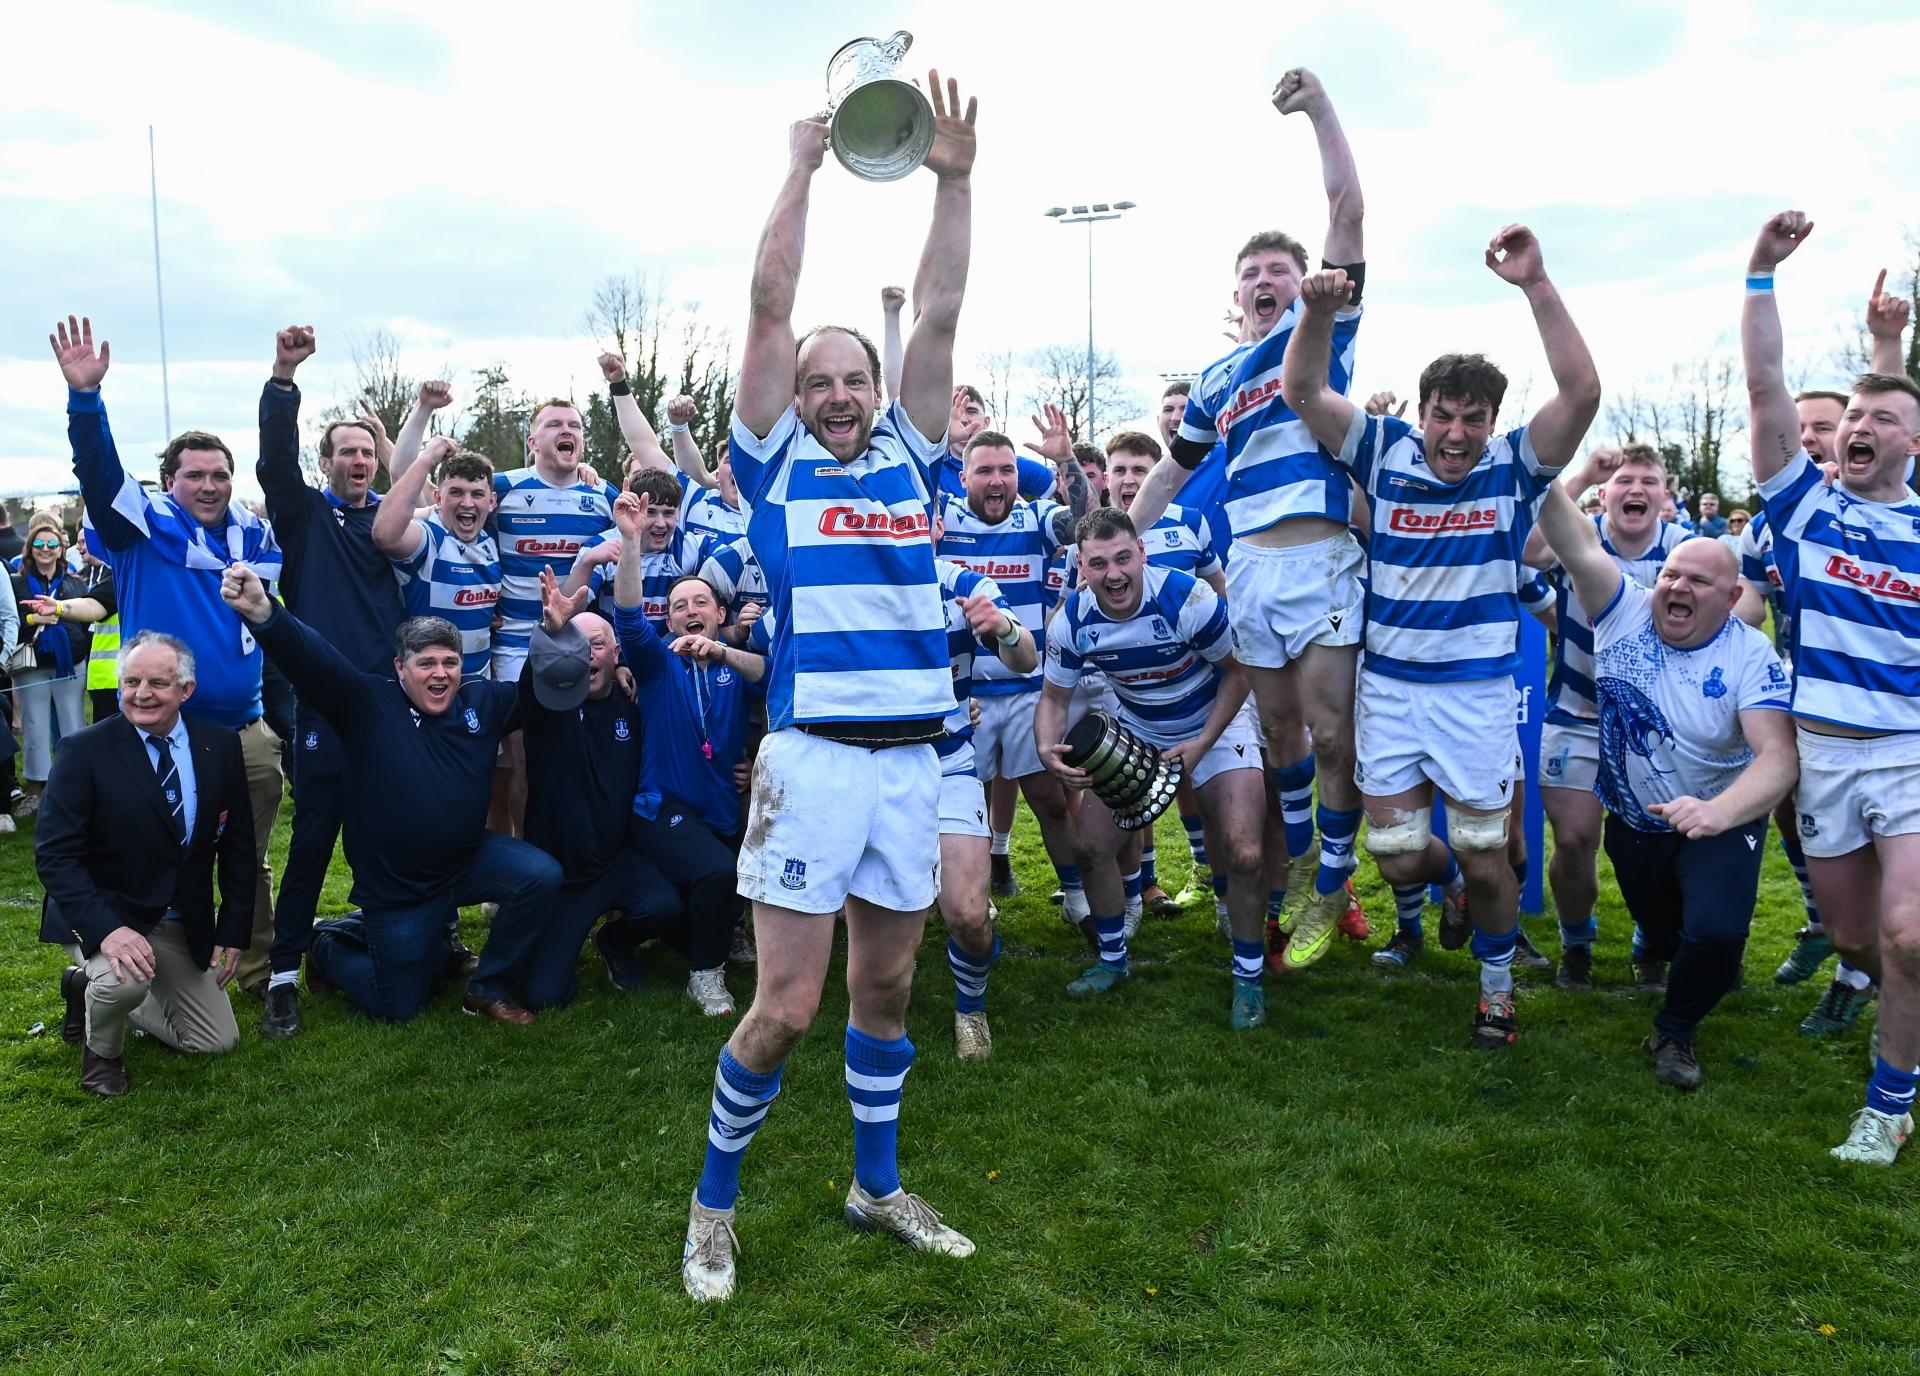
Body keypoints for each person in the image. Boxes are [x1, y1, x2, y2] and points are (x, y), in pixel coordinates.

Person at [678, 75, 979, 1303]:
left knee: (888, 987)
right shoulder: (771, 464)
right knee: (786, 1007)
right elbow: (768, 303)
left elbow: (942, 309)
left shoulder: (914, 448)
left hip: (915, 758)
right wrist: (800, 167)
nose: (841, 394)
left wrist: (955, 182)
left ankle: (875, 1184)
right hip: (812, 759)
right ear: (795, 397)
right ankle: (712, 1207)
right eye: (822, 381)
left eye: (856, 377)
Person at [1282, 225, 1601, 1050]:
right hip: (1390, 692)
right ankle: (1453, 888)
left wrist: (1536, 283)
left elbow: (1581, 393)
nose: (1456, 434)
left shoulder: (1514, 465)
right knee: (1394, 852)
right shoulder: (1383, 451)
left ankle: (1496, 993)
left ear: (1492, 421)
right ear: (1421, 413)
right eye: (1443, 416)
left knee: (1487, 850)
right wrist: (1316, 313)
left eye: (1473, 418)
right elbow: (1304, 391)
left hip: (1475, 696)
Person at [1127, 67, 1366, 969]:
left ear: (1305, 283)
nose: (1266, 281)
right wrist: (1117, 538)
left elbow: (1347, 210)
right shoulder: (1218, 378)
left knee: (1332, 732)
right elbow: (1171, 472)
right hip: (1255, 572)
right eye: (1252, 276)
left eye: (1279, 271)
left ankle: (1330, 879)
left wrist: (1319, 109)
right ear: (1238, 296)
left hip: (1325, 558)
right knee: (1279, 735)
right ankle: (1306, 862)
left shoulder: (1326, 329)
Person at [1740, 210, 1920, 1164]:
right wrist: (1761, 273)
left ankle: (1887, 1108)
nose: (1859, 427)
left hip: (1910, 753)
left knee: (1909, 936)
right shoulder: (1805, 509)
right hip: (1822, 757)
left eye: (1882, 420)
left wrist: (1892, 349)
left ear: (1914, 443)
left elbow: (1897, 392)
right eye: (1853, 417)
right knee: (1856, 941)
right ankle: (1893, 1009)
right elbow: (1765, 383)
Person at [1534, 463, 1796, 1088]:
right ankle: (1668, 947)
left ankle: (1675, 1031)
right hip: (1635, 821)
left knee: (1717, 933)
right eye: (1672, 575)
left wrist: (1719, 812)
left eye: (1699, 581)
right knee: (1665, 930)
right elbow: (1573, 539)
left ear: (1731, 599)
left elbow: (1779, 756)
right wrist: (1532, 462)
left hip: (1722, 814)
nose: (1677, 587)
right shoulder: (1621, 609)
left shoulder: (1749, 653)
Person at [51, 315, 285, 999]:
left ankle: (255, 971)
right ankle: (117, 971)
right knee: (145, 854)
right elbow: (98, 471)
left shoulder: (254, 538)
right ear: (166, 481)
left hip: (243, 732)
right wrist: (86, 399)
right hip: (156, 731)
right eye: (195, 475)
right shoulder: (138, 530)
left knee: (248, 859)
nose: (209, 486)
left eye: (220, 475)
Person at [218, 564, 564, 1027]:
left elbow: (541, 694)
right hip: (399, 889)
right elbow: (314, 661)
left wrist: (554, 638)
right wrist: (265, 613)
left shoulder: (483, 702)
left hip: (465, 863)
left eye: (450, 662)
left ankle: (487, 987)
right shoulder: (367, 704)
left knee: (540, 875)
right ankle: (327, 944)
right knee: (399, 1005)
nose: (440, 673)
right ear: (400, 668)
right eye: (426, 663)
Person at [1037, 509, 1270, 1028]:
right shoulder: (1073, 618)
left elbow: (1239, 673)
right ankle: (1112, 961)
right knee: (1090, 845)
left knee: (1244, 851)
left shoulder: (1187, 598)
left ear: (1142, 553)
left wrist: (1202, 741)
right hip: (1138, 728)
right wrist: (1046, 748)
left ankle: (1249, 979)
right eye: (1099, 564)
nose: (1114, 574)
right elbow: (1054, 697)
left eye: (1123, 558)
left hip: (1215, 721)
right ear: (1081, 567)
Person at [254, 327, 412, 1039]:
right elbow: (274, 465)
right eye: (345, 451)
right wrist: (284, 380)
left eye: (365, 452)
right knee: (314, 840)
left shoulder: (393, 523)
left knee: (390, 836)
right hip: (322, 702)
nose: (357, 461)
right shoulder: (306, 515)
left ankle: (409, 938)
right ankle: (284, 976)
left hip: (387, 704)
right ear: (326, 462)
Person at [35, 631, 256, 1096]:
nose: (141, 694)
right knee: (123, 984)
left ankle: (86, 987)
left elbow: (238, 846)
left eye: (158, 683)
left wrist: (234, 929)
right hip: (106, 910)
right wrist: (107, 931)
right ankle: (102, 1053)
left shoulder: (219, 745)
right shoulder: (83, 750)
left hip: (178, 917)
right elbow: (55, 856)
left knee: (216, 1042)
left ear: (186, 690)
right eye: (131, 681)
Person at [1520, 444, 1688, 989]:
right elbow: (1527, 552)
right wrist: (1583, 473)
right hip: (1577, 714)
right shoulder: (1580, 535)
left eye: (1649, 481)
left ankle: (1653, 943)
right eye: (1623, 481)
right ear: (1605, 494)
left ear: (1665, 494)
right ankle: (1577, 944)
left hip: (1658, 725)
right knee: (1572, 841)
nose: (1635, 489)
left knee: (1659, 847)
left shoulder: (1684, 547)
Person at [604, 493, 764, 1015]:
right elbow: (628, 617)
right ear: (670, 622)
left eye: (700, 603)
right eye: (679, 606)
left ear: (720, 614)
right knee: (718, 873)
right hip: (661, 807)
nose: (690, 611)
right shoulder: (656, 663)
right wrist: (630, 541)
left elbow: (773, 680)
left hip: (721, 807)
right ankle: (705, 975)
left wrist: (754, 763)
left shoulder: (736, 664)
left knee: (712, 891)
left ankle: (687, 938)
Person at [937, 418, 1089, 930]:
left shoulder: (1035, 517)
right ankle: (972, 897)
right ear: (964, 477)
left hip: (1027, 687)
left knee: (1048, 798)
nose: (997, 479)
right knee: (967, 806)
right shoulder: (942, 519)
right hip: (965, 694)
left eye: (1007, 470)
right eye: (984, 471)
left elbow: (1086, 521)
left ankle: (1077, 895)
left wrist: (1065, 460)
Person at [930, 535, 1036, 1059]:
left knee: (970, 916)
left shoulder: (962, 584)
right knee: (883, 924)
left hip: (949, 765)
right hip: (870, 766)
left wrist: (1005, 629)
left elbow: (1025, 657)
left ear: (931, 524)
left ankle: (970, 1009)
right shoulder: (844, 576)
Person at [374, 430, 502, 681]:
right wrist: (427, 458)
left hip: (480, 687)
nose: (467, 503)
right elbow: (385, 535)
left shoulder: (493, 541)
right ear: (438, 498)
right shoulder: (429, 537)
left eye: (477, 494)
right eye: (456, 492)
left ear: (492, 501)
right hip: (430, 686)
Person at [11, 513, 103, 808]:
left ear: (61, 548)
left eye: (52, 544)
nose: (46, 549)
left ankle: (75, 783)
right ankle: (36, 790)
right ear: (30, 547)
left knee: (73, 724)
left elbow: (84, 622)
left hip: (70, 663)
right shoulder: (16, 582)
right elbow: (9, 620)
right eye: (39, 543)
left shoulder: (75, 581)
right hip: (32, 664)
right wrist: (32, 619)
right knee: (35, 726)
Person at [567, 467, 712, 631]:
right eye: (650, 512)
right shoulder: (602, 547)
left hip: (671, 646)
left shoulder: (689, 546)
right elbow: (568, 613)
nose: (660, 523)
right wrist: (587, 562)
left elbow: (733, 563)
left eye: (668, 513)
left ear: (678, 513)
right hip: (614, 646)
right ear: (631, 509)